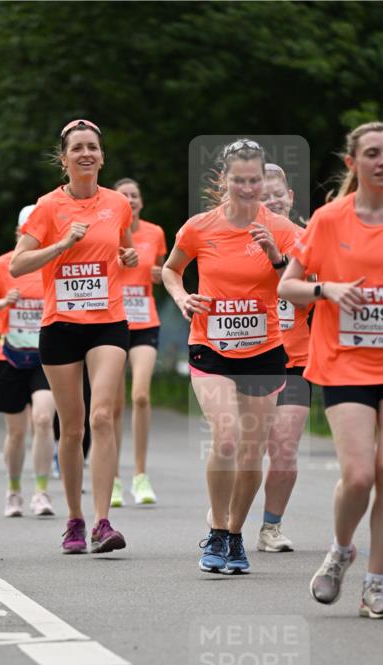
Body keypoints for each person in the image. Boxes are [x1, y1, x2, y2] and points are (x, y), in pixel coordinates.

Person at [162, 138, 297, 574]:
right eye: (239, 180)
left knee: (252, 452)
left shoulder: (282, 229)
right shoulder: (199, 227)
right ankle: (218, 531)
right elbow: (170, 269)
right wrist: (182, 297)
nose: (248, 188)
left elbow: (301, 288)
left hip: (264, 351)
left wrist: (276, 257)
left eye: (254, 180)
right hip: (211, 347)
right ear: (224, 179)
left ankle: (236, 534)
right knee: (225, 437)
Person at [10, 119, 137, 554]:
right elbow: (18, 264)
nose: (86, 154)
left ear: (102, 157)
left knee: (101, 416)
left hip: (107, 322)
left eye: (92, 147)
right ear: (63, 159)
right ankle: (75, 519)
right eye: (77, 148)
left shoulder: (117, 204)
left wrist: (127, 256)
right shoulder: (47, 207)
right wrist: (61, 245)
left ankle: (103, 521)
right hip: (60, 325)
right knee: (71, 427)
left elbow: (122, 246)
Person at [278, 121, 383, 618]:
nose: (382, 161)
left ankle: (376, 582)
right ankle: (342, 550)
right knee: (359, 475)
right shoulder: (329, 219)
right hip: (345, 362)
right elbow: (287, 286)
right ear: (352, 163)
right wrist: (328, 290)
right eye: (373, 153)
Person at [0, 205, 56, 517]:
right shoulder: (2, 265)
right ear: (19, 233)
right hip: (8, 355)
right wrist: (4, 301)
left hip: (46, 356)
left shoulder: (55, 262)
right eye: (29, 231)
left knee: (43, 419)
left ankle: (41, 492)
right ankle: (13, 491)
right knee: (16, 432)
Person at [257, 163, 313, 552]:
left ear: (290, 197)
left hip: (296, 361)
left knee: (284, 447)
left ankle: (270, 527)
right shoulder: (238, 241)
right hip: (250, 360)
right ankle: (224, 518)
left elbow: (311, 294)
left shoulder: (309, 240)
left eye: (278, 193)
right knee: (242, 449)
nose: (273, 201)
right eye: (264, 196)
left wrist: (278, 259)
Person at [111, 177, 167, 506]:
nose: (130, 200)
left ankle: (140, 476)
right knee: (114, 405)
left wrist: (159, 275)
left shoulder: (155, 233)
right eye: (124, 195)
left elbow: (158, 271)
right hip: (113, 321)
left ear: (141, 202)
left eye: (134, 195)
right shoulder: (105, 231)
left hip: (145, 321)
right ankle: (114, 478)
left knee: (141, 395)